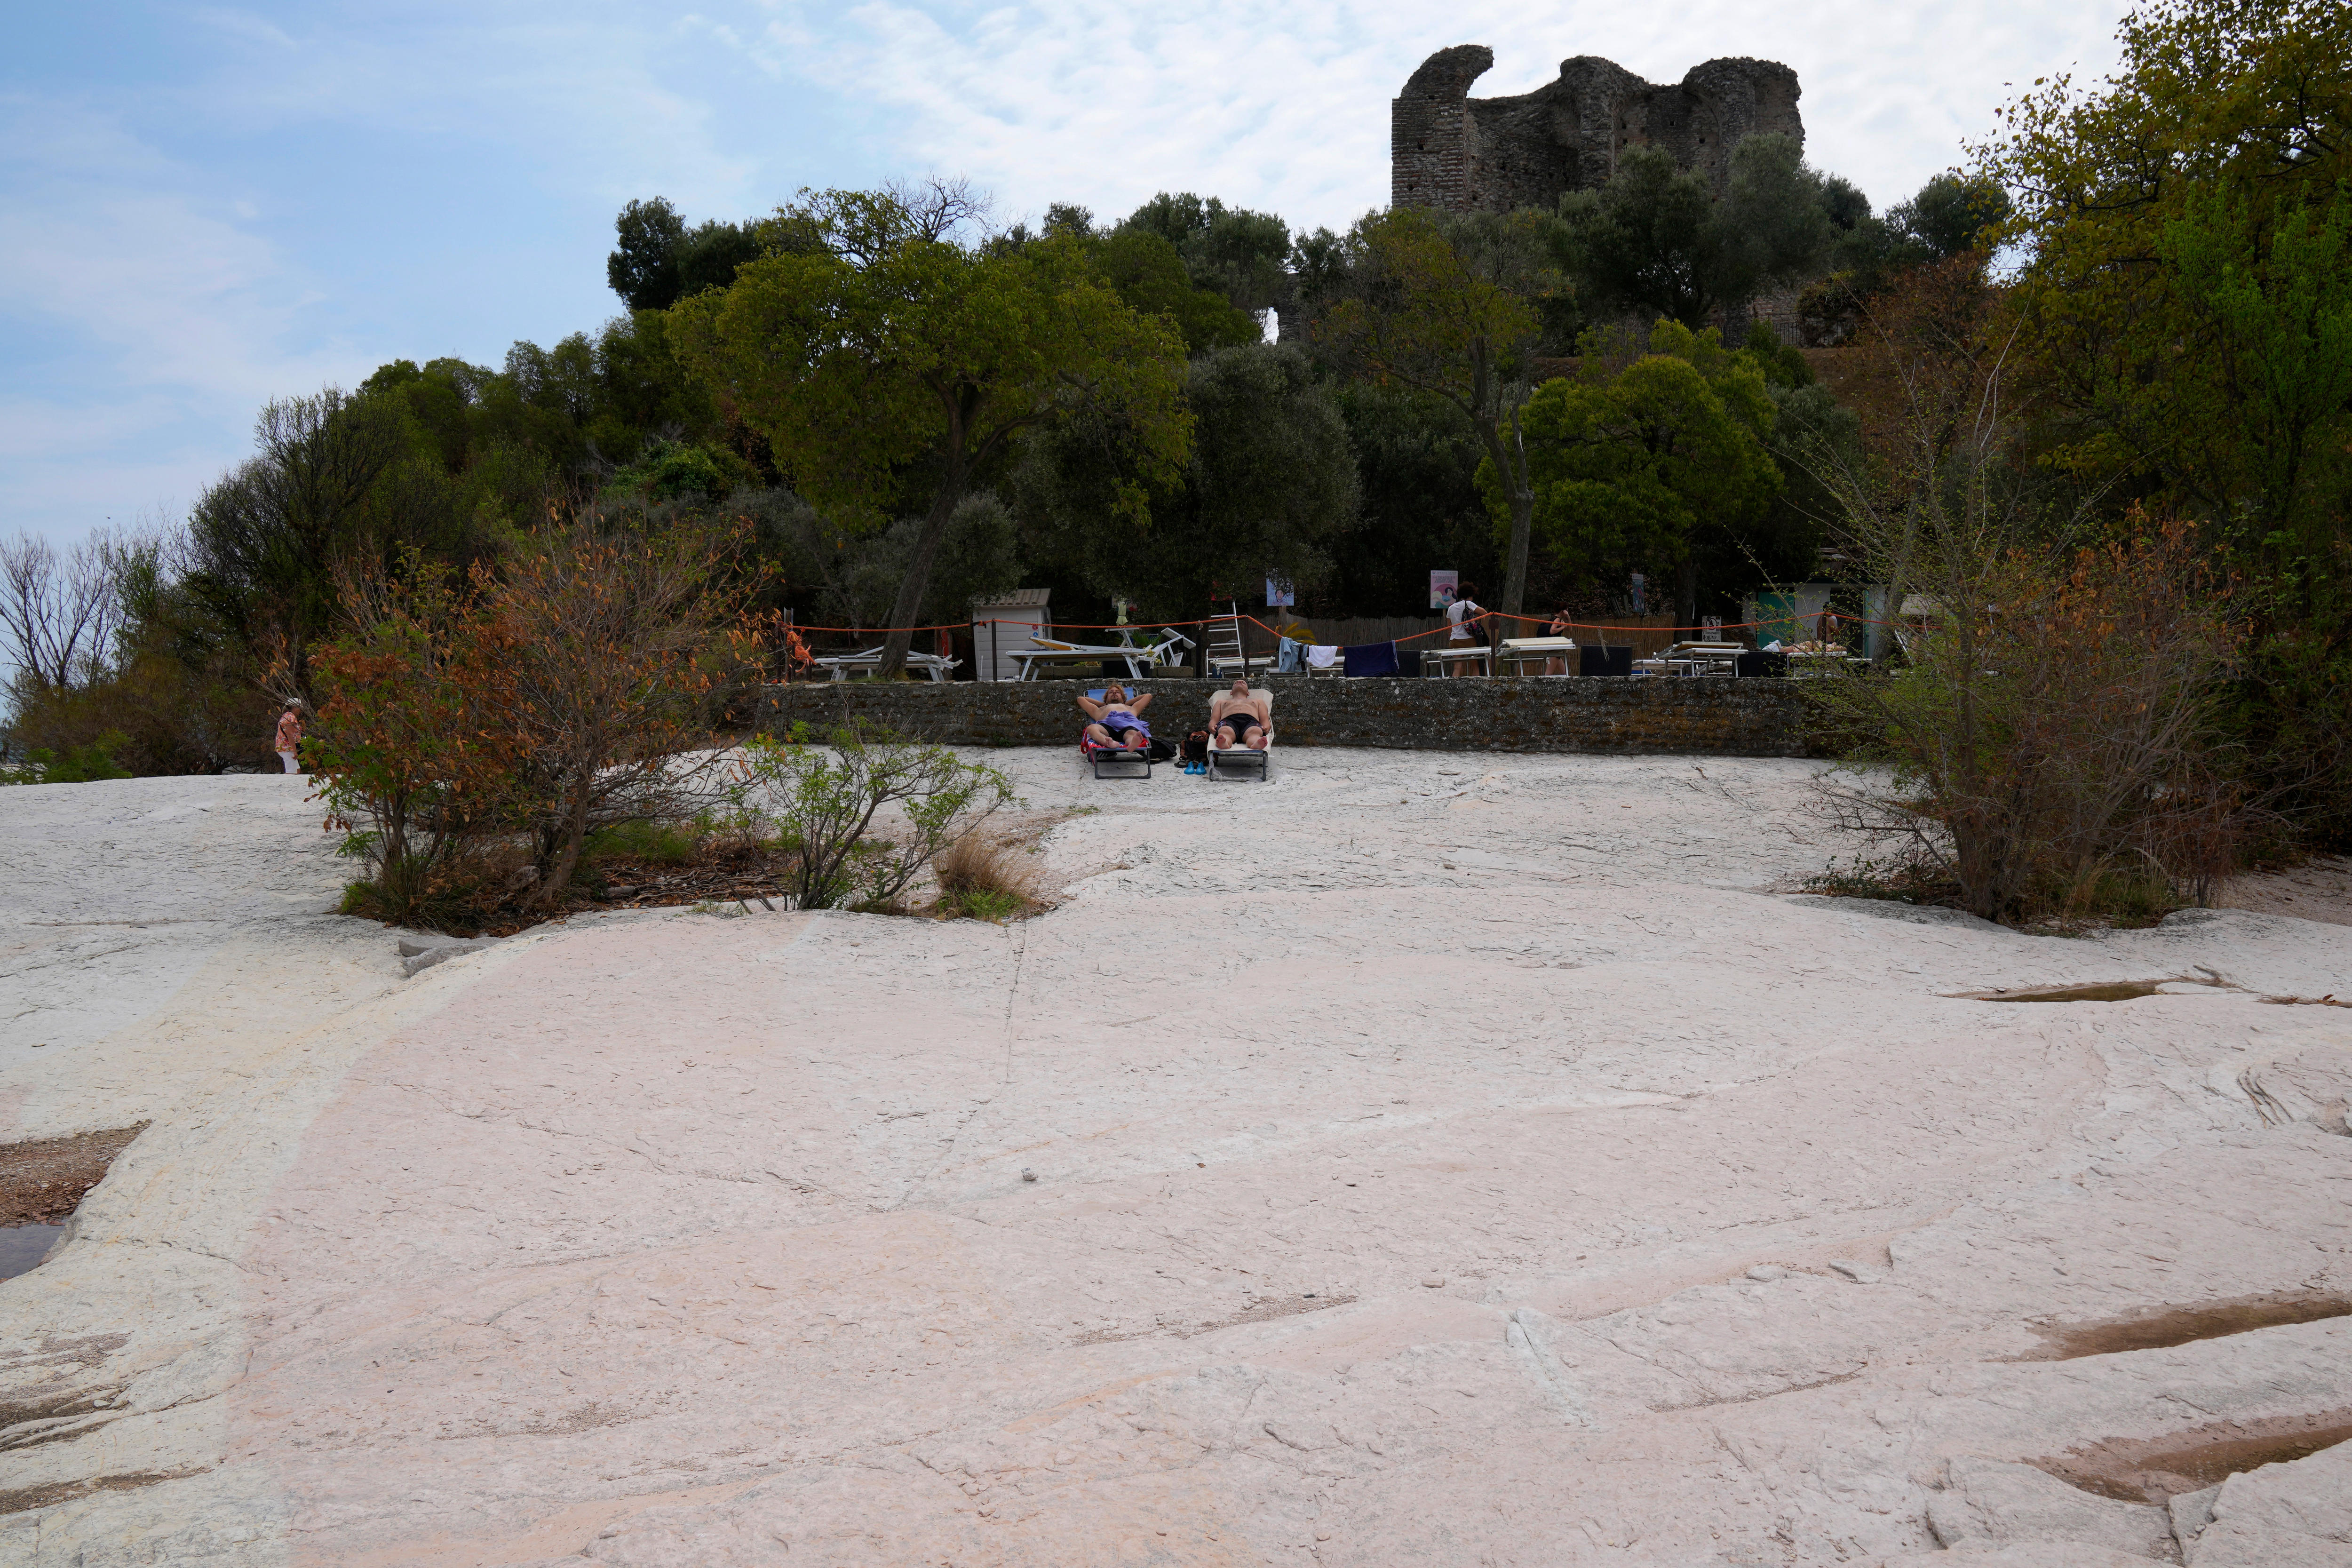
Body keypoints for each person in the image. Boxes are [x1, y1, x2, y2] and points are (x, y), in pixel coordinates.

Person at [1075, 683, 1154, 752]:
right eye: (1111, 692)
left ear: (1123, 699)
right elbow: (1081, 699)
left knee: (1132, 735)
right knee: (1091, 729)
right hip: (1107, 727)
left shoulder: (1132, 708)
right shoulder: (1099, 710)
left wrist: (1126, 703)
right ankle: (1108, 742)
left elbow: (1148, 696)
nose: (1114, 693)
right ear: (1106, 699)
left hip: (1127, 726)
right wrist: (1104, 704)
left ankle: (1131, 744)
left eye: (1118, 692)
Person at [1207, 677, 1270, 749]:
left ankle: (1255, 742)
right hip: (1229, 721)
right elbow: (1214, 719)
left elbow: (1265, 719)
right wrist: (1212, 726)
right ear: (1231, 692)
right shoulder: (1221, 702)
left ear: (1248, 693)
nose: (1240, 681)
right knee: (1225, 731)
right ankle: (1225, 742)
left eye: (1243, 683)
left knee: (1255, 731)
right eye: (1236, 683)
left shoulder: (1258, 702)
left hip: (1250, 721)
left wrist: (1266, 726)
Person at [1445, 583, 1486, 676]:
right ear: (1470, 596)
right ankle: (1476, 688)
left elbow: (1449, 629)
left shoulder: (1450, 608)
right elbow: (1484, 613)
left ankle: (1453, 687)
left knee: (1457, 667)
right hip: (1469, 640)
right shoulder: (1469, 604)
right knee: (1476, 666)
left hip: (1454, 640)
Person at [273, 704, 304, 774]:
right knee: (292, 772)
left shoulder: (286, 716)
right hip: (287, 748)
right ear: (294, 707)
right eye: (300, 708)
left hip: (283, 747)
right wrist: (295, 751)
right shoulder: (291, 718)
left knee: (297, 770)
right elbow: (290, 735)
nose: (300, 711)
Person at [1545, 607, 1576, 676]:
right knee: (1548, 675)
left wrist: (1568, 618)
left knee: (1565, 673)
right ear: (1563, 611)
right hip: (1554, 650)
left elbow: (1570, 629)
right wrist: (1562, 627)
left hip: (1556, 651)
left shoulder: (1555, 619)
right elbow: (1552, 631)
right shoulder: (1557, 619)